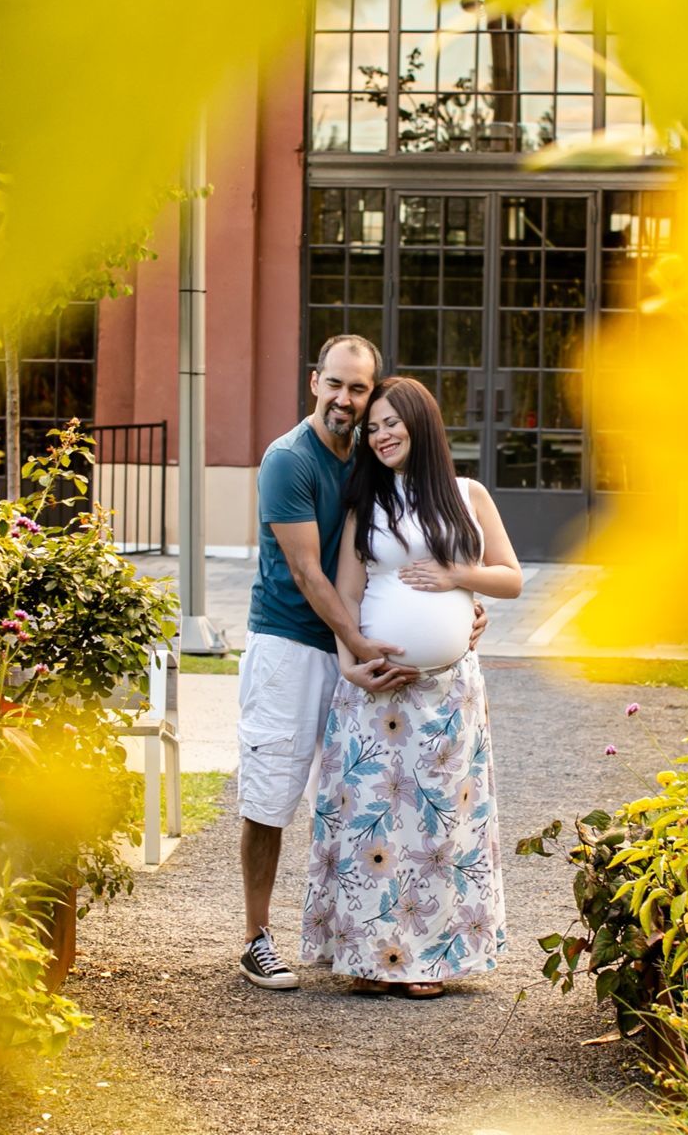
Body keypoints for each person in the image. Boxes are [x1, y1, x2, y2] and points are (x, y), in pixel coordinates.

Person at [301, 376, 522, 998]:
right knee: (372, 823)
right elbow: (346, 594)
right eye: (372, 428)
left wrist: (457, 575)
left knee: (437, 826)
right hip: (374, 692)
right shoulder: (363, 505)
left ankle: (430, 961)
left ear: (421, 423)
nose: (381, 435)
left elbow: (509, 579)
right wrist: (350, 661)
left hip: (447, 694)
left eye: (391, 423)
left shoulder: (467, 495)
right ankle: (371, 958)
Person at [236, 335, 415, 990]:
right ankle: (256, 937)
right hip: (289, 647)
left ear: (372, 395)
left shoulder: (373, 457)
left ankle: (359, 941)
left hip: (352, 651)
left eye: (358, 389)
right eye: (335, 384)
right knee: (270, 798)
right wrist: (359, 648)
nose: (345, 399)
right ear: (315, 381)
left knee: (358, 801)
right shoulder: (290, 460)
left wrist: (463, 609)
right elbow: (310, 573)